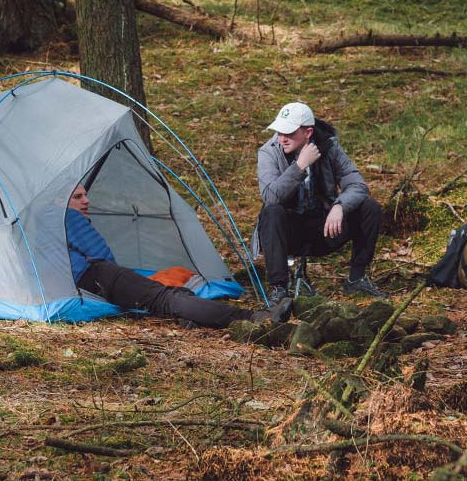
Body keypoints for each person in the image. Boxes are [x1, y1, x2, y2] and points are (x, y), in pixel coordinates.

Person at [65, 184, 292, 328]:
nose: (86, 201)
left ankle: (190, 315)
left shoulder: (43, 226)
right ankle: (252, 317)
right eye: (78, 196)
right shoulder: (69, 217)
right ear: (61, 201)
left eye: (85, 195)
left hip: (85, 283)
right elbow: (102, 256)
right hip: (99, 276)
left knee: (169, 296)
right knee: (167, 298)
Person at [256, 102, 385, 301]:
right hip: (288, 231)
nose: (282, 138)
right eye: (280, 131)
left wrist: (340, 206)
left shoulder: (329, 147)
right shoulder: (269, 151)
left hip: (324, 226)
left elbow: (358, 185)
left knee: (370, 208)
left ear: (308, 132)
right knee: (271, 212)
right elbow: (270, 196)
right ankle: (279, 288)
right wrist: (300, 166)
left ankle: (357, 279)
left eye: (289, 133)